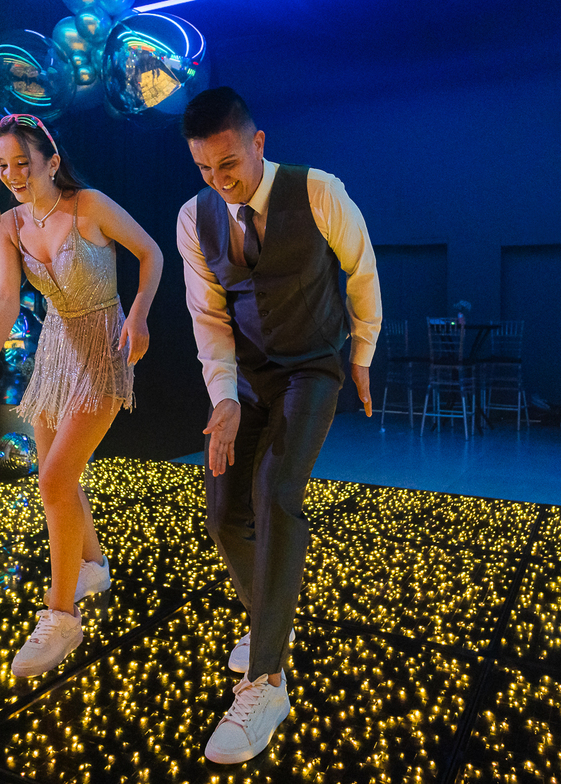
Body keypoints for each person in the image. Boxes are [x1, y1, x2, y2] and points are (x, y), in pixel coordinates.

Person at [175, 87, 383, 764]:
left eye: (228, 164)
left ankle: (266, 681)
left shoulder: (319, 192)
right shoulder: (194, 217)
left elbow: (361, 271)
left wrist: (361, 354)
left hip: (313, 367)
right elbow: (208, 316)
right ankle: (272, 624)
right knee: (223, 514)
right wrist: (223, 396)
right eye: (204, 169)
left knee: (276, 493)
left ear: (258, 143)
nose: (219, 180)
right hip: (248, 377)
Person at [0, 114, 162, 677]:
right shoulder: (9, 226)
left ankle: (61, 615)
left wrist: (139, 315)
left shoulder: (89, 205)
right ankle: (93, 567)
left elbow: (151, 253)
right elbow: (4, 300)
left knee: (54, 479)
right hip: (55, 349)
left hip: (104, 344)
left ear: (52, 162)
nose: (12, 175)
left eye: (22, 163)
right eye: (3, 165)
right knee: (58, 474)